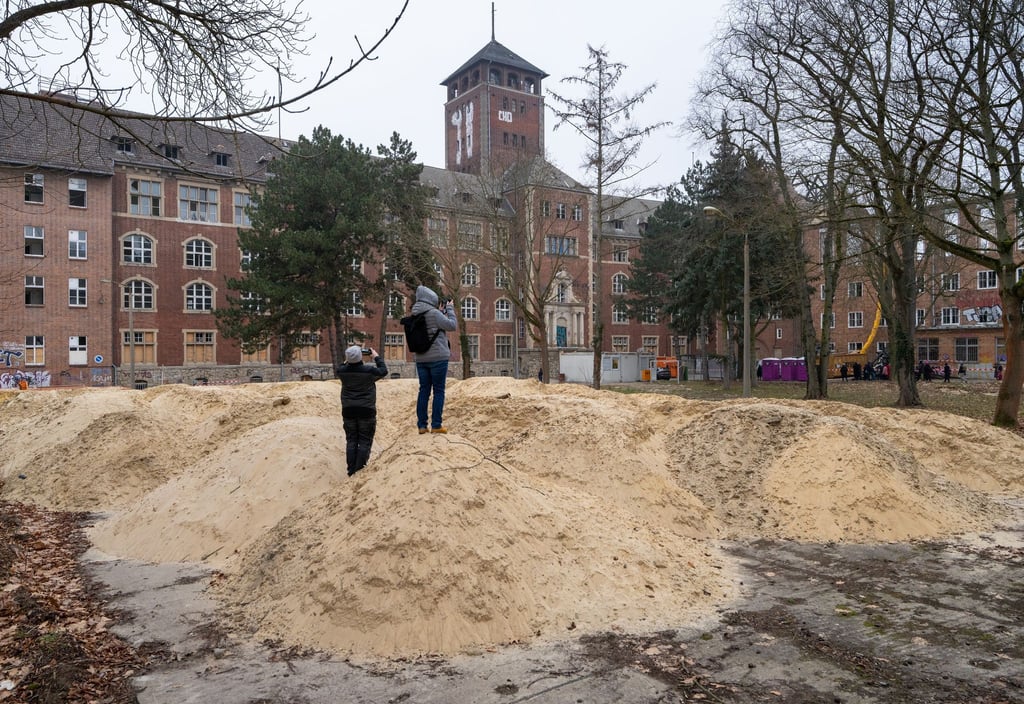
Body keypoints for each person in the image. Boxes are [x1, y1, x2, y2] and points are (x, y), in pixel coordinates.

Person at [335, 344, 388, 476]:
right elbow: (383, 370)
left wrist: (349, 358)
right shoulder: (368, 371)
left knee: (351, 440)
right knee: (364, 440)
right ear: (360, 357)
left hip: (348, 410)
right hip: (366, 410)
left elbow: (341, 366)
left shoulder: (342, 371)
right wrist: (376, 357)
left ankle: (351, 470)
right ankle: (359, 470)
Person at [411, 284, 457, 434]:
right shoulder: (434, 313)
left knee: (424, 390)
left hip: (421, 358)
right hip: (438, 358)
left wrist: (441, 312)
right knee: (438, 391)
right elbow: (452, 325)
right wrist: (449, 309)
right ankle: (436, 425)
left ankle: (422, 425)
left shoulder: (415, 314)